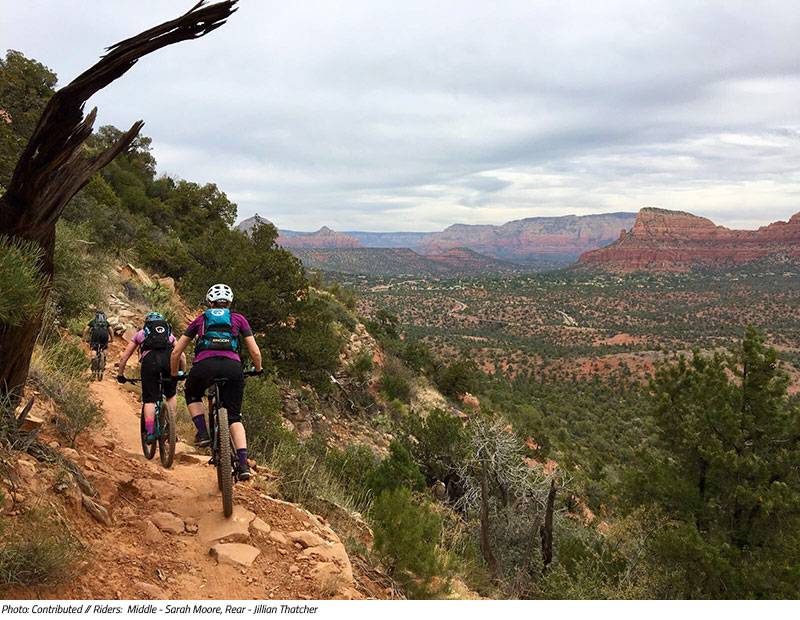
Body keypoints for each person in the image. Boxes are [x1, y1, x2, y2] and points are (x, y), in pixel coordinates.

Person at [170, 283, 262, 481]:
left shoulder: (201, 319)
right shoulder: (239, 319)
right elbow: (255, 351)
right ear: (229, 303)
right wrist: (258, 368)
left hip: (204, 366)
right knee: (234, 418)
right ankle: (244, 464)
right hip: (232, 368)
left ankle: (203, 433)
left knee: (192, 393)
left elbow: (177, 351)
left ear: (209, 302)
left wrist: (174, 373)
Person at [116, 312, 185, 444]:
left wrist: (120, 375)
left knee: (150, 400)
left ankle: (150, 433)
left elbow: (124, 357)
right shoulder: (169, 335)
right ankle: (171, 428)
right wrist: (181, 372)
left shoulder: (141, 334)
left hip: (149, 364)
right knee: (170, 395)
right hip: (168, 362)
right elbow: (181, 356)